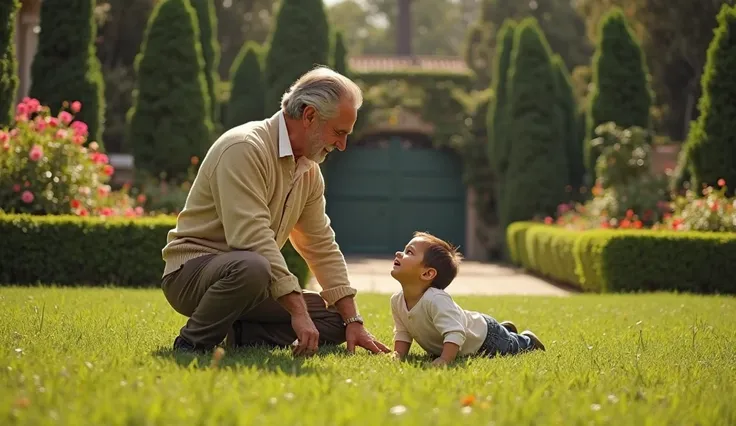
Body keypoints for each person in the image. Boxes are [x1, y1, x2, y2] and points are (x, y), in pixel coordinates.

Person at [160, 66, 390, 357]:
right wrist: (297, 310)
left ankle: (240, 333)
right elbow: (251, 238)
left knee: (335, 319)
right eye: (339, 132)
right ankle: (192, 343)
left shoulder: (309, 171)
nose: (342, 145)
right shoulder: (244, 147)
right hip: (191, 276)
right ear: (309, 116)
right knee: (253, 266)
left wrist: (353, 319)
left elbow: (320, 245)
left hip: (253, 282)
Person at [388, 231, 545, 366]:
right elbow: (403, 331)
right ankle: (506, 329)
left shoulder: (436, 300)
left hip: (485, 339)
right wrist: (399, 354)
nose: (399, 253)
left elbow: (455, 332)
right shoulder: (397, 301)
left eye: (409, 252)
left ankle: (527, 340)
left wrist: (445, 359)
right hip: (472, 326)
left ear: (427, 273)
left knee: (511, 347)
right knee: (503, 336)